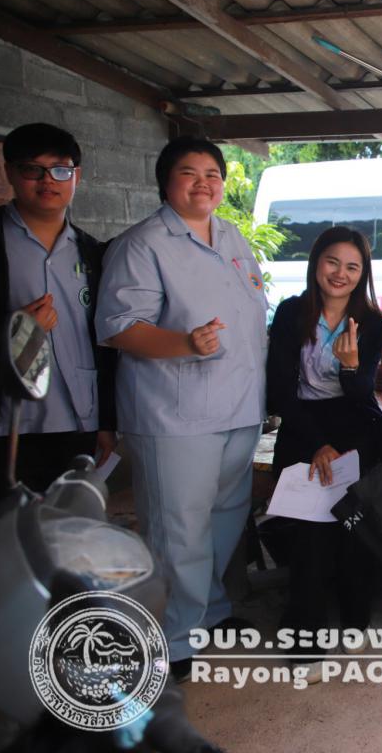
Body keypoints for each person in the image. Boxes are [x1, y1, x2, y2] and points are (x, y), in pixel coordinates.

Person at [96, 137, 268, 680]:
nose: (203, 183)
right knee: (178, 531)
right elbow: (120, 327)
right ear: (165, 182)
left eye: (213, 173)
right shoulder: (143, 244)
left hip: (239, 408)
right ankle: (171, 637)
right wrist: (185, 343)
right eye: (189, 173)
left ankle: (210, 612)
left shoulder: (231, 236)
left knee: (223, 520)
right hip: (176, 414)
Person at [265, 226, 382, 679]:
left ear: (363, 274)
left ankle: (356, 617)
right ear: (316, 263)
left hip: (354, 430)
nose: (341, 273)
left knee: (353, 526)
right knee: (310, 531)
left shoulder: (372, 322)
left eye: (352, 267)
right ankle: (307, 634)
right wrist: (316, 444)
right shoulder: (291, 312)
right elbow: (279, 391)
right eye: (333, 262)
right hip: (303, 429)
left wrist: (352, 368)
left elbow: (363, 399)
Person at [0, 123, 116, 525]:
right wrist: (17, 327)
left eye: (60, 169)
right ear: (10, 172)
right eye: (32, 169)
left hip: (77, 421)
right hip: (4, 426)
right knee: (3, 537)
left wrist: (106, 422)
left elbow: (105, 344)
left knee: (69, 537)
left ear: (77, 175)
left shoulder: (93, 254)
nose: (47, 181)